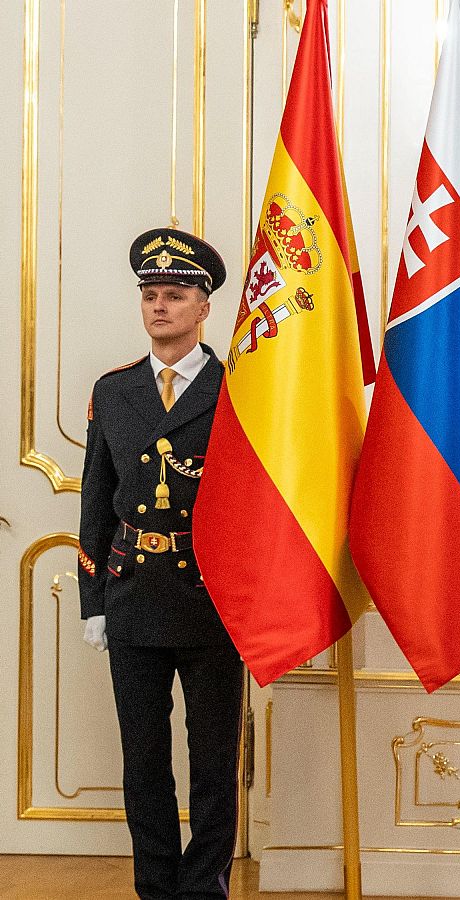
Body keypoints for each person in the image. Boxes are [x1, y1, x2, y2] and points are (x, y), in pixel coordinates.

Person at [77, 227, 243, 900]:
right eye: (150, 295)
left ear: (204, 307)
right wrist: (94, 602)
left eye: (175, 295)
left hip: (212, 597)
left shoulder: (239, 390)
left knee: (212, 762)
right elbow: (96, 499)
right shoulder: (115, 391)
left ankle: (204, 887)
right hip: (134, 592)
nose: (159, 307)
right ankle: (155, 886)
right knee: (144, 761)